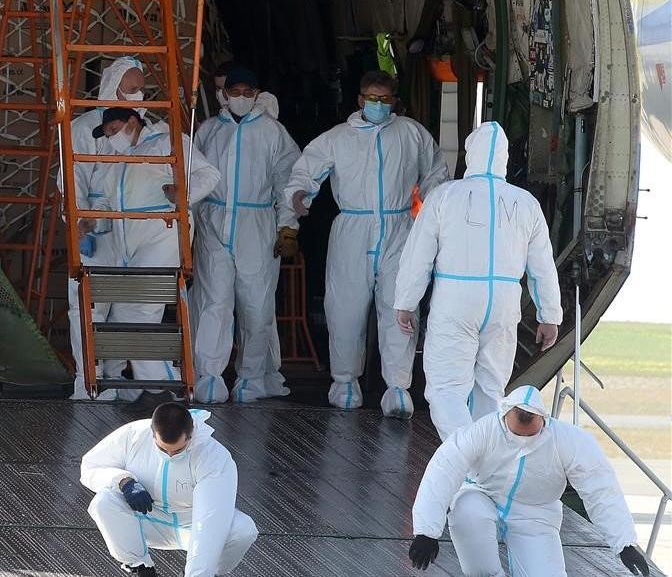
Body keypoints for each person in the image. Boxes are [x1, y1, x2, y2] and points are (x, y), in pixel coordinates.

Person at [283, 70, 448, 416]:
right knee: (344, 307)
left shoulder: (410, 133)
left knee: (400, 306)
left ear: (394, 101)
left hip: (399, 226)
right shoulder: (337, 138)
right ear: (359, 100)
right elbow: (305, 170)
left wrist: (432, 217)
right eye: (371, 98)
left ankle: (398, 387)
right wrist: (299, 198)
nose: (377, 105)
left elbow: (435, 172)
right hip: (352, 229)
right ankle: (344, 381)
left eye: (384, 99)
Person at [394, 121, 563, 440]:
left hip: (456, 302)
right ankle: (484, 458)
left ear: (470, 154)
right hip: (502, 303)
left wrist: (406, 302)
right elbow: (542, 265)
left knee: (446, 389)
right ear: (504, 157)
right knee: (490, 390)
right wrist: (549, 316)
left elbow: (418, 256)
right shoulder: (525, 203)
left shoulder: (445, 196)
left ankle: (467, 457)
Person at [409, 385, 649, 577]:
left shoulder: (569, 441)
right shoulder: (482, 431)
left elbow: (600, 489)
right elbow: (443, 470)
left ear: (544, 421)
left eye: (530, 435)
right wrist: (426, 530)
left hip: (536, 513)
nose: (523, 441)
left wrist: (624, 543)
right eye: (516, 435)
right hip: (482, 495)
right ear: (504, 417)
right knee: (465, 511)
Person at [86, 107, 221, 397]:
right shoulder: (113, 157)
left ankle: (163, 389)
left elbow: (209, 175)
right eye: (107, 133)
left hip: (162, 233)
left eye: (114, 130)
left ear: (133, 122)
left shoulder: (167, 141)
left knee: (142, 310)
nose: (111, 137)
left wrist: (181, 194)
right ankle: (133, 388)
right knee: (124, 312)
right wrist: (91, 221)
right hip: (127, 240)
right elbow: (107, 204)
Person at [191, 65, 301, 403]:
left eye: (247, 92)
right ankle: (209, 377)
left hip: (257, 224)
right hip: (213, 221)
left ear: (257, 95)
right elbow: (192, 181)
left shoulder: (273, 132)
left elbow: (289, 181)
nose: (241, 97)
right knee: (215, 303)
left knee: (256, 305)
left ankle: (251, 378)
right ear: (224, 94)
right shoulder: (208, 131)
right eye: (235, 91)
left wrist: (288, 225)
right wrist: (187, 229)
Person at [80, 402, 258, 577]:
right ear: (152, 433)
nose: (170, 455)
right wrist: (123, 481)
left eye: (179, 450)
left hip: (192, 524)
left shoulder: (213, 457)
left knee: (243, 530)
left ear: (191, 436)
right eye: (162, 449)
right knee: (104, 502)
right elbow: (90, 468)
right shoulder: (132, 435)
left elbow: (210, 522)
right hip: (147, 519)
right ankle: (141, 569)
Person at [60, 56, 147, 400]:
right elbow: (71, 178)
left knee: (124, 305)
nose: (137, 95)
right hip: (93, 225)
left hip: (131, 228)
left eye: (141, 89)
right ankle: (90, 381)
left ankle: (115, 374)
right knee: (88, 306)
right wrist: (79, 223)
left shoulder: (143, 125)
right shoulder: (84, 128)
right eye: (130, 88)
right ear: (112, 84)